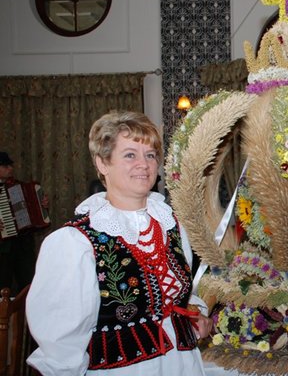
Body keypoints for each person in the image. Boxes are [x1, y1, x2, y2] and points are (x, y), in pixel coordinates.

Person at [26, 111, 212, 375]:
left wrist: (195, 312)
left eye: (150, 155)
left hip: (184, 365)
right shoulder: (74, 243)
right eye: (130, 155)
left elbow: (182, 293)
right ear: (102, 163)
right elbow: (60, 345)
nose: (144, 164)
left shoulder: (171, 224)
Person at [0, 151, 48, 292]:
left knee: (28, 284)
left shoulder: (17, 186)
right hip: (3, 247)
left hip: (23, 244)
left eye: (10, 165)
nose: (10, 168)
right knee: (3, 284)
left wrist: (42, 205)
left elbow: (33, 208)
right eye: (5, 165)